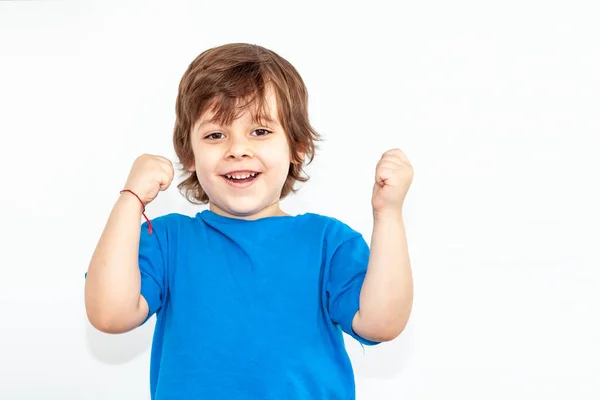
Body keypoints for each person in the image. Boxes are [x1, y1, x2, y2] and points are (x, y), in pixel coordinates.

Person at [84, 43, 414, 400]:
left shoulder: (328, 242)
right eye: (215, 135)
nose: (237, 149)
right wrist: (130, 199)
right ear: (189, 154)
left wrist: (388, 215)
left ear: (297, 146)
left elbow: (382, 323)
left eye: (260, 131)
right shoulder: (168, 240)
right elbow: (109, 315)